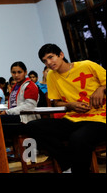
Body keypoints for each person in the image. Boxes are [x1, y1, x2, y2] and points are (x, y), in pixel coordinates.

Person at [27, 43, 106, 173]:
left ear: (61, 55)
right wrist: (69, 105)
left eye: (51, 57)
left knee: (77, 138)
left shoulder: (87, 65)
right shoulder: (52, 75)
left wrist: (102, 88)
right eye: (45, 61)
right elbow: (56, 103)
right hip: (73, 118)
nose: (49, 62)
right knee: (33, 126)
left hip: (100, 118)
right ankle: (67, 163)